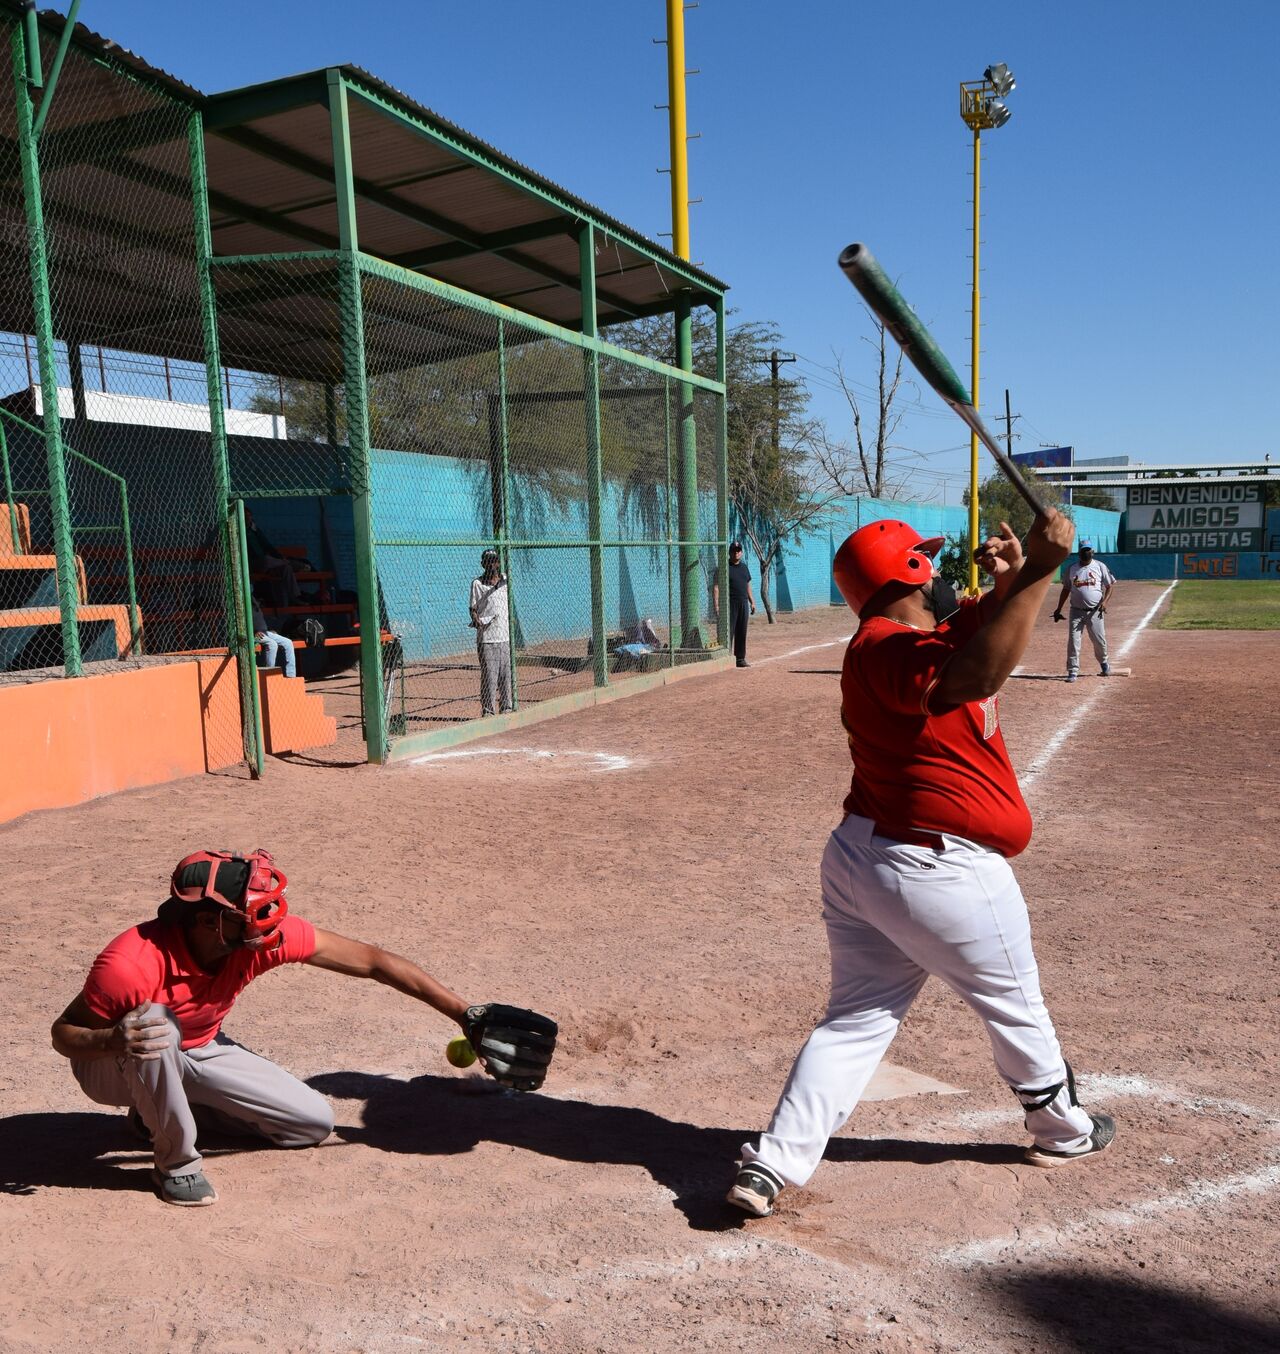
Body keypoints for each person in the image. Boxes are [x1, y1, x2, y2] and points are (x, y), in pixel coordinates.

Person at [726, 512, 1114, 1219]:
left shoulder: (912, 639)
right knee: (1016, 1005)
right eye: (926, 563)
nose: (938, 573)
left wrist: (1016, 578)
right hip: (936, 867)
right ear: (902, 575)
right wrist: (1042, 572)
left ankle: (772, 1165)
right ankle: (1063, 1128)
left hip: (866, 861)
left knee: (854, 1021)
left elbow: (979, 634)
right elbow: (977, 671)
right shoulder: (881, 648)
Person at [51, 849, 556, 1207]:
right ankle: (176, 1165)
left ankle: (157, 1115)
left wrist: (465, 1014)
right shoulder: (129, 962)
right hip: (112, 1064)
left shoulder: (258, 940)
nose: (267, 920)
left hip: (199, 1051)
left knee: (310, 1123)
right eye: (251, 913)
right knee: (154, 1025)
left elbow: (374, 961)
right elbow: (64, 1033)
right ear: (207, 921)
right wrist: (112, 1039)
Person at [1053, 539, 1115, 683]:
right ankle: (1073, 671)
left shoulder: (1100, 567)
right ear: (1079, 552)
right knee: (1074, 641)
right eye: (1083, 550)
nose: (1086, 553)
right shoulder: (1072, 569)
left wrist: (1105, 602)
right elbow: (1066, 589)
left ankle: (1104, 663)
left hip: (1095, 612)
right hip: (1076, 612)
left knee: (1099, 641)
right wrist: (1058, 608)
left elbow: (1110, 586)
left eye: (1088, 550)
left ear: (1092, 552)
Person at [469, 548, 512, 715]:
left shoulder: (505, 581)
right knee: (489, 677)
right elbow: (473, 608)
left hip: (505, 636)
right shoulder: (477, 584)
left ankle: (507, 707)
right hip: (487, 638)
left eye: (494, 561)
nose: (491, 564)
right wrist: (476, 619)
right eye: (488, 561)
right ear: (482, 564)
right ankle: (488, 711)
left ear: (498, 563)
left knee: (506, 676)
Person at [243, 505, 302, 609]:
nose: (248, 518)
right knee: (266, 559)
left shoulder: (255, 530)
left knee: (286, 569)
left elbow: (267, 546)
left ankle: (295, 597)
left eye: (249, 516)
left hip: (268, 564)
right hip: (253, 564)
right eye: (245, 516)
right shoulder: (239, 531)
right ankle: (290, 562)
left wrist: (279, 557)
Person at [712, 541, 756, 667]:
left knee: (742, 631)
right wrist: (717, 605)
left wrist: (752, 602)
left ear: (741, 553)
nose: (736, 553)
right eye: (734, 551)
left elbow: (748, 586)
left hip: (743, 603)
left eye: (738, 551)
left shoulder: (744, 567)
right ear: (729, 552)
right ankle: (726, 657)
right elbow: (716, 587)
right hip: (729, 604)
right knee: (728, 631)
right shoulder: (724, 568)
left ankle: (740, 659)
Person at [252, 597, 297, 679]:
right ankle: (269, 675)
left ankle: (291, 676)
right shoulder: (241, 605)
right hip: (254, 637)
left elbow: (259, 623)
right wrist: (253, 633)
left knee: (288, 642)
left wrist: (268, 630)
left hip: (265, 632)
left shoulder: (254, 604)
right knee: (272, 644)